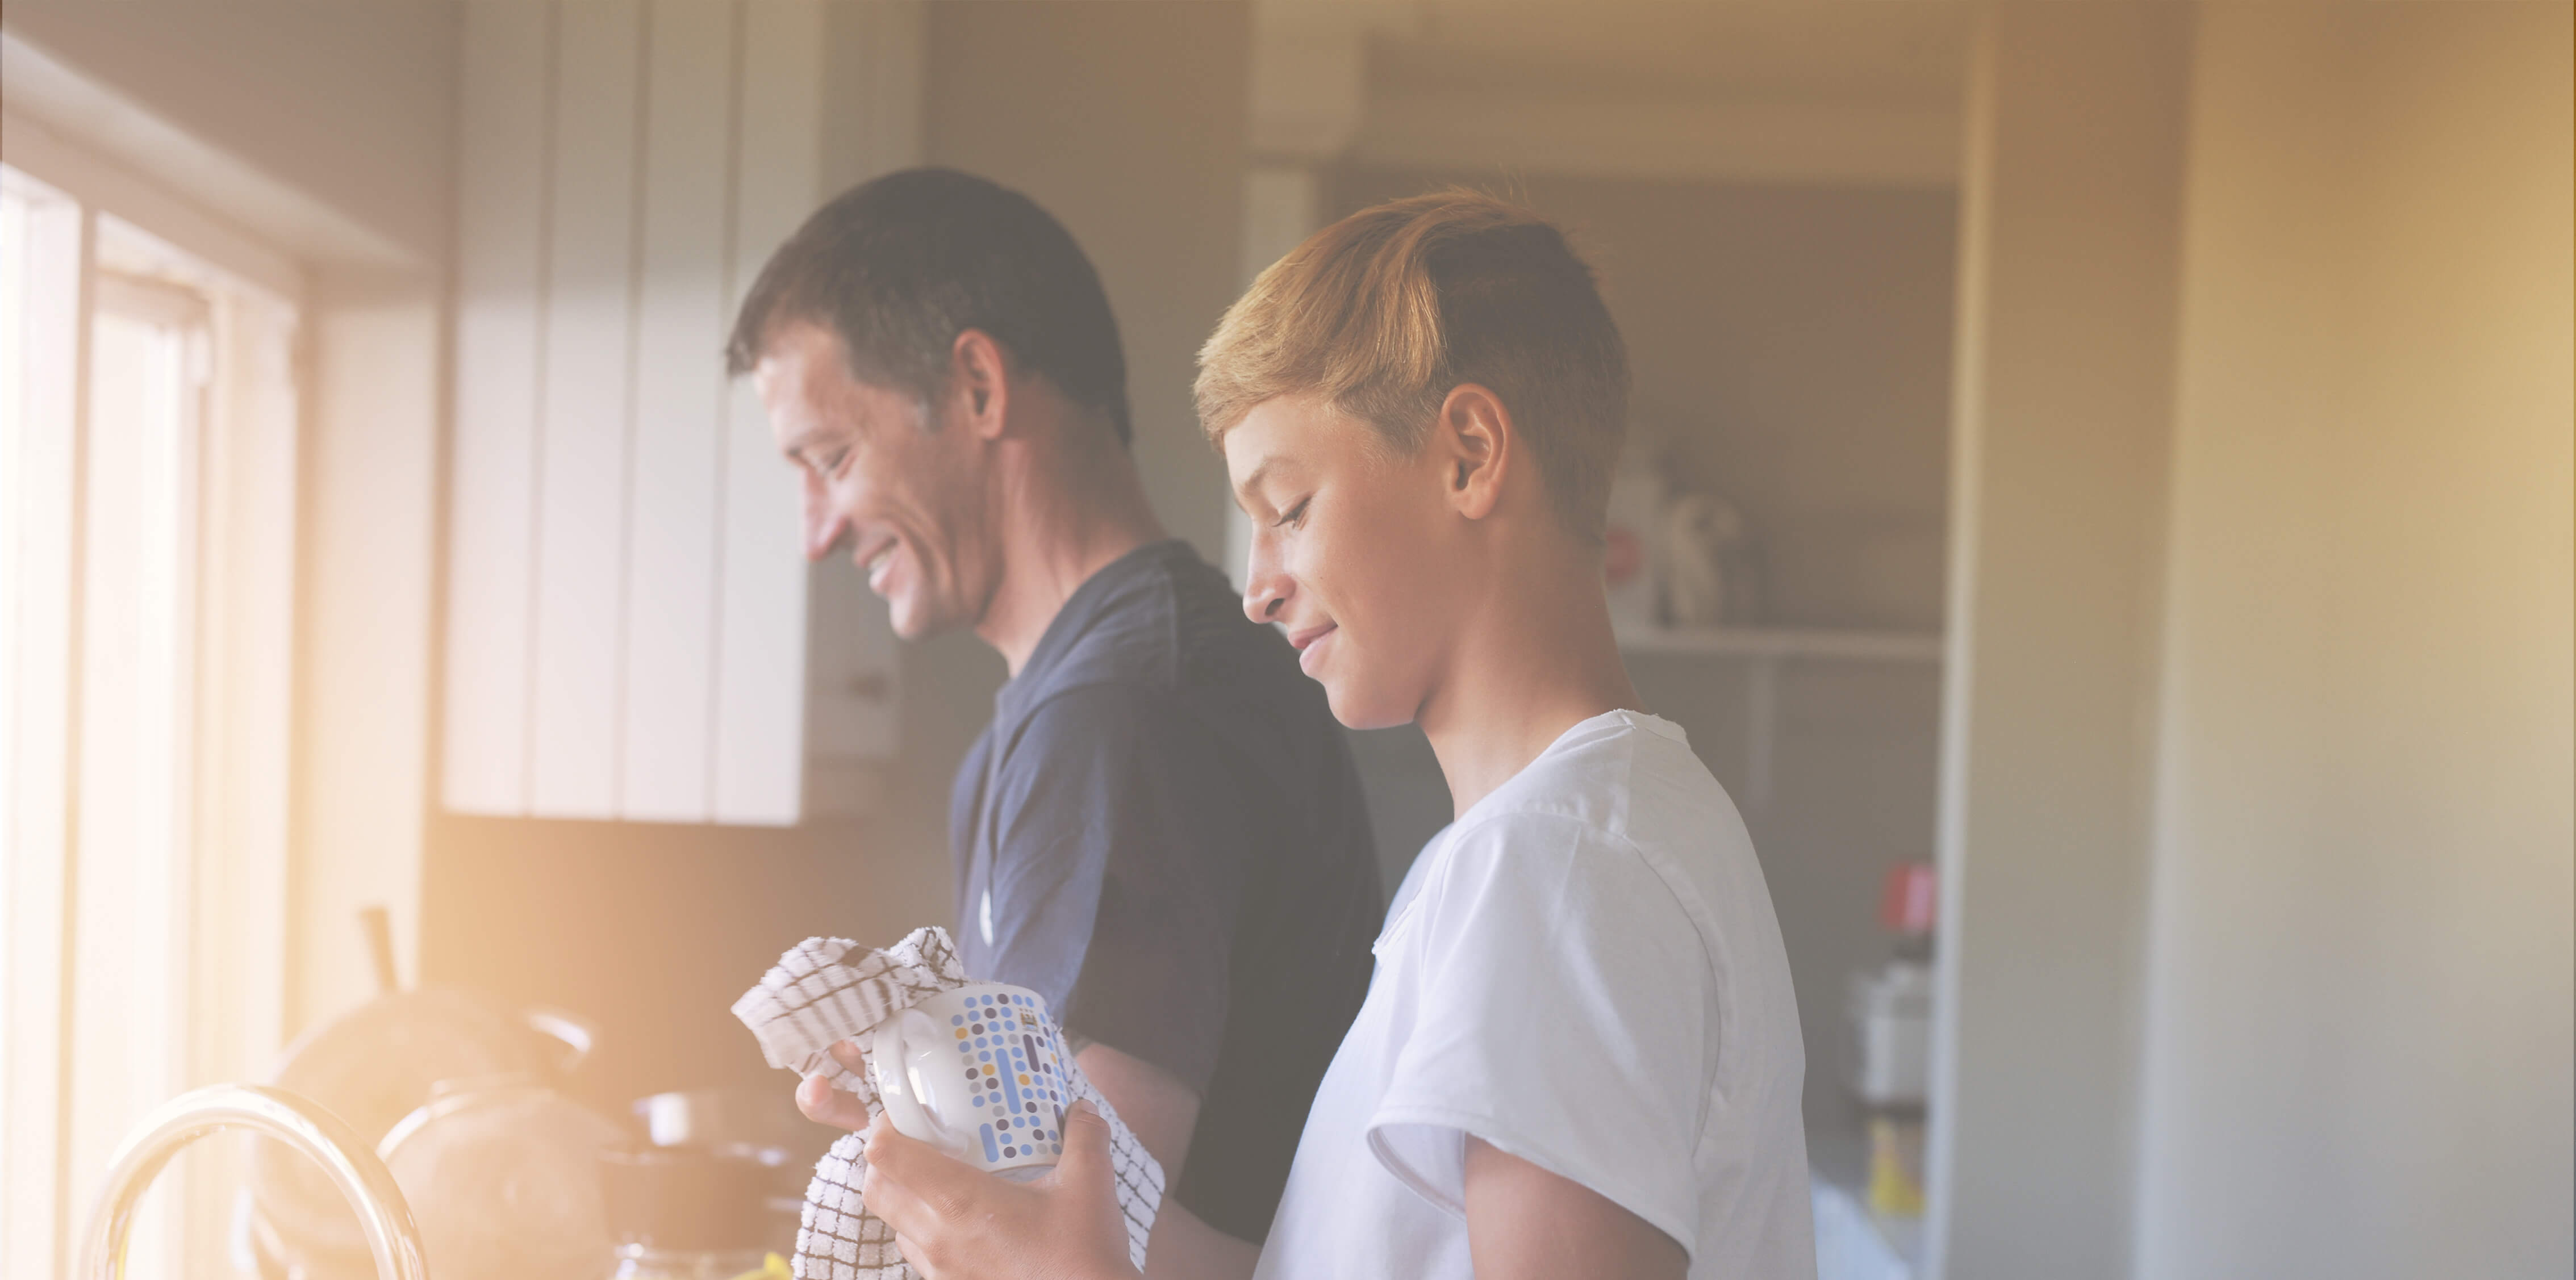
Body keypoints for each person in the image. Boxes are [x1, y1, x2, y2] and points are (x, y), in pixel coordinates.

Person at [837, 190, 1818, 1280]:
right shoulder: (1583, 835)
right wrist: (1004, 1193)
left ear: (1471, 453)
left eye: (1289, 507)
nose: (1258, 589)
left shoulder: (1550, 869)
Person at [727, 168, 1384, 1271]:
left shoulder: (1122, 717)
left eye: (833, 458)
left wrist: (926, 1171)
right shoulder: (1066, 715)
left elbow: (1052, 1238)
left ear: (979, 386)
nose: (818, 530)